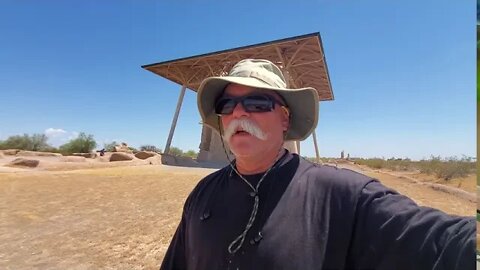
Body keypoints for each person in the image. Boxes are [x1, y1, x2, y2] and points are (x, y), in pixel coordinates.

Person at [160, 59, 475, 270]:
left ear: (284, 118)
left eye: (257, 102)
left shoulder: (340, 195)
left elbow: (441, 241)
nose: (239, 113)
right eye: (227, 104)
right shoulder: (202, 193)